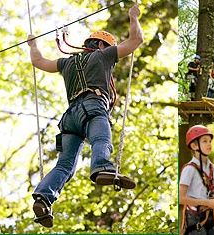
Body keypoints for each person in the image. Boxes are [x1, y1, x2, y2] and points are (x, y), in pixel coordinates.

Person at [27, 4, 143, 228]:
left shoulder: (66, 63)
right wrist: (133, 17)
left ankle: (43, 197)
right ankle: (101, 166)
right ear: (101, 45)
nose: (113, 53)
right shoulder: (103, 55)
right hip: (93, 106)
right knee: (101, 139)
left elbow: (38, 62)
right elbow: (135, 41)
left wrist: (33, 45)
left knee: (64, 166)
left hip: (70, 118)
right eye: (110, 48)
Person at [179, 125, 214, 235]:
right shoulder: (189, 169)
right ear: (194, 145)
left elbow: (213, 191)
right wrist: (206, 202)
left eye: (209, 141)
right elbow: (181, 198)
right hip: (194, 218)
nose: (209, 144)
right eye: (204, 141)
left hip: (211, 217)